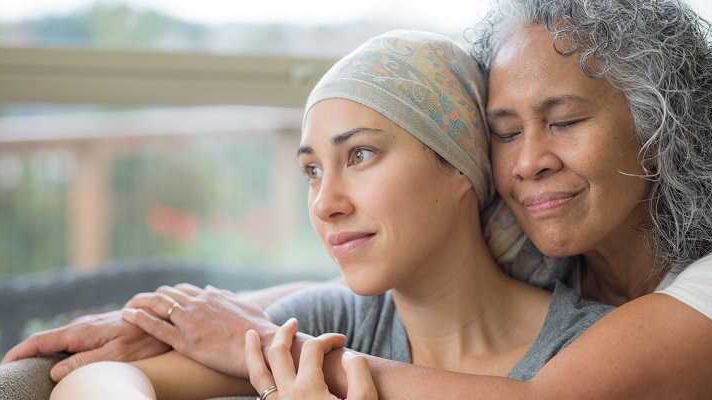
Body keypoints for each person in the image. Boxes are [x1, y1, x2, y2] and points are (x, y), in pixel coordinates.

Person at [5, 0, 712, 398]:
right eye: (506, 130)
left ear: (663, 127)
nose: (529, 161)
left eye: (565, 120)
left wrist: (282, 353)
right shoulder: (543, 243)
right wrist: (171, 317)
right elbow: (355, 290)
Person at [46, 29, 612, 399]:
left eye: (359, 155)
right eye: (313, 170)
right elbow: (100, 383)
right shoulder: (332, 322)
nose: (325, 202)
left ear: (461, 164)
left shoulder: (591, 352)